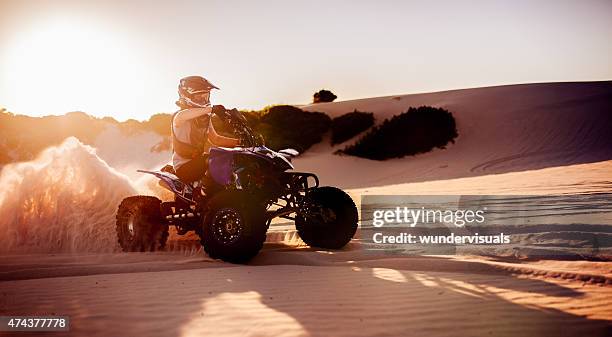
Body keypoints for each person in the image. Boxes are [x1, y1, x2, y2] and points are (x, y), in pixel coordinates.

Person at [171, 76, 240, 186]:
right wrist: (211, 109)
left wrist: (240, 142)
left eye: (206, 96)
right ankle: (210, 193)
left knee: (229, 157)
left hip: (199, 162)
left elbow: (216, 139)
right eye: (199, 97)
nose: (204, 100)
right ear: (186, 96)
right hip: (184, 167)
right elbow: (185, 115)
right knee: (216, 159)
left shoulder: (204, 117)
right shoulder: (180, 116)